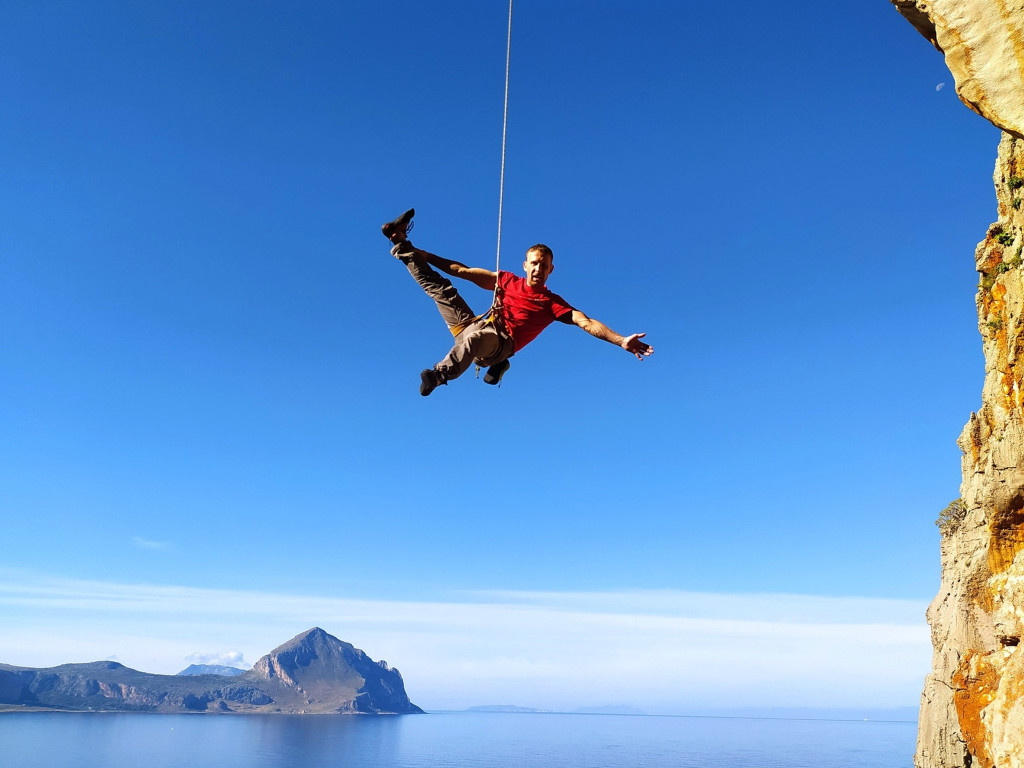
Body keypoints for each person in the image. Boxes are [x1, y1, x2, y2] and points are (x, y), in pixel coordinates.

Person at [382, 208, 653, 396]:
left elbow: (587, 322)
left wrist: (620, 340)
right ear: (525, 265)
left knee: (476, 341)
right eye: (534, 263)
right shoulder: (508, 280)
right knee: (441, 288)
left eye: (544, 265)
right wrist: (422, 254)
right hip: (473, 325)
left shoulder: (551, 303)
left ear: (550, 270)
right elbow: (461, 271)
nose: (538, 269)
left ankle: (439, 375)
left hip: (498, 343)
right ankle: (401, 241)